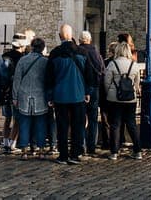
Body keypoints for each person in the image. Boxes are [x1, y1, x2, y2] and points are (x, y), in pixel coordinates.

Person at [45, 24, 96, 165]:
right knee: (78, 125)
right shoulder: (82, 52)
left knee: (62, 126)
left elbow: (49, 77)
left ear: (60, 36)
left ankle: (63, 154)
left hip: (60, 95)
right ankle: (75, 154)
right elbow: (89, 75)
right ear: (71, 35)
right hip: (78, 94)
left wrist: (49, 96)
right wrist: (88, 92)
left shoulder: (55, 53)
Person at [12, 37, 48, 159]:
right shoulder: (45, 62)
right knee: (40, 124)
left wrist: (15, 97)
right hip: (40, 95)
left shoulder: (23, 60)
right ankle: (41, 150)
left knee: (24, 123)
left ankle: (24, 151)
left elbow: (17, 80)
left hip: (24, 94)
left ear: (32, 47)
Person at [104, 42, 142, 160]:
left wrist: (109, 93)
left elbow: (106, 82)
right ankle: (137, 150)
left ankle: (114, 152)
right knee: (131, 124)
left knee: (115, 124)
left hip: (114, 98)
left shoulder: (112, 64)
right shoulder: (134, 65)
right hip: (130, 99)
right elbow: (136, 84)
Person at [78, 30, 105, 156]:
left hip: (81, 88)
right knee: (93, 119)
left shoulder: (78, 52)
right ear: (89, 40)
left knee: (80, 118)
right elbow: (102, 70)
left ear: (80, 40)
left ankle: (81, 145)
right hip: (95, 88)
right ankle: (91, 146)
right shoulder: (96, 53)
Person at [0, 34, 27, 154]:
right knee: (17, 119)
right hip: (16, 92)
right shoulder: (22, 58)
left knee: (7, 118)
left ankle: (5, 141)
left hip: (5, 91)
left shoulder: (4, 56)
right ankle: (12, 143)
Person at [99, 40, 119, 151]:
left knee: (105, 120)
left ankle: (106, 142)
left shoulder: (106, 62)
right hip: (117, 95)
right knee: (116, 120)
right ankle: (116, 141)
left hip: (106, 94)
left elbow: (103, 79)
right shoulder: (121, 62)